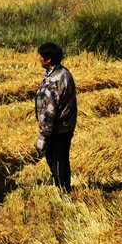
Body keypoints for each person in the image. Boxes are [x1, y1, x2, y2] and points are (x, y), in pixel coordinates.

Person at [35, 42, 77, 192]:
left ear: (48, 60)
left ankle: (63, 192)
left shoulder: (54, 80)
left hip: (57, 129)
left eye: (41, 56)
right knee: (62, 159)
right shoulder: (63, 73)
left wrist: (43, 136)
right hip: (66, 126)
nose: (39, 58)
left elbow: (49, 111)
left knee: (56, 160)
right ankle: (64, 188)